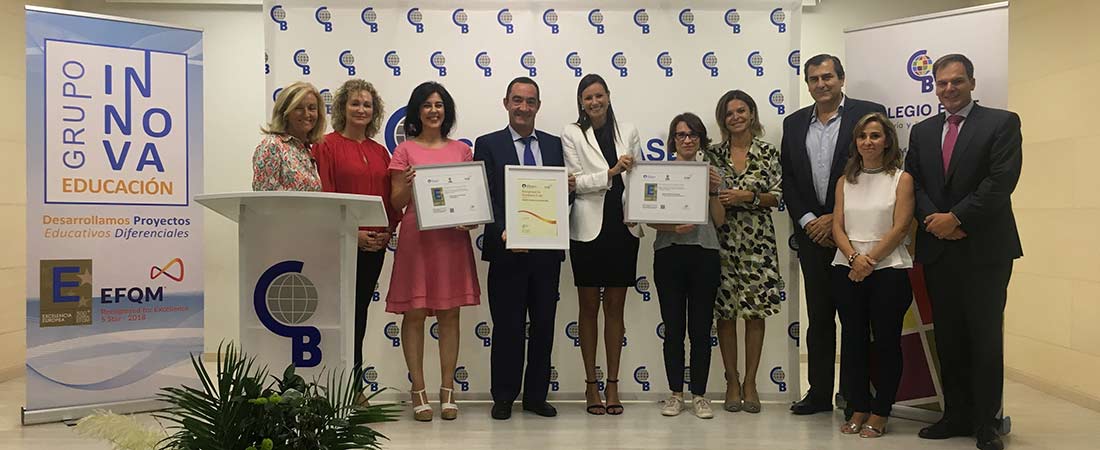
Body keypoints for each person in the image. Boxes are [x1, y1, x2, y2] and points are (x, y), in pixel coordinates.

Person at [906, 54, 1022, 450]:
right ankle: (954, 415)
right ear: (934, 87)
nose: (949, 89)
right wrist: (934, 221)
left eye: (957, 81)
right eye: (942, 83)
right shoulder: (922, 131)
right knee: (949, 337)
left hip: (984, 250)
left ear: (972, 82)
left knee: (985, 337)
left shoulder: (1002, 123)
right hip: (938, 249)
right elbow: (914, 183)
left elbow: (1001, 180)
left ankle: (986, 423)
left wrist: (956, 218)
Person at [780, 54, 886, 415]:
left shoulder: (867, 113)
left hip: (856, 236)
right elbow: (789, 178)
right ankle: (819, 393)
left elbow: (875, 172)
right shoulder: (794, 123)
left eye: (827, 77)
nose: (821, 84)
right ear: (807, 84)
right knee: (820, 317)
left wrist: (834, 218)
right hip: (813, 236)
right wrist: (810, 220)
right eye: (814, 79)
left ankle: (855, 396)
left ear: (841, 79)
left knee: (856, 320)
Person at [474, 77, 574, 420]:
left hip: (546, 254)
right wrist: (505, 232)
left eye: (530, 101)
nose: (523, 107)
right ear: (506, 103)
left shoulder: (554, 145)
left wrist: (568, 190)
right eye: (517, 100)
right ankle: (503, 396)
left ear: (538, 106)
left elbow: (559, 199)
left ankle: (535, 397)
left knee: (544, 326)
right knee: (508, 328)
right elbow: (485, 195)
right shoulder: (487, 144)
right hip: (506, 252)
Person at [387, 81, 481, 422]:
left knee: (450, 314)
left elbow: (470, 201)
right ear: (417, 111)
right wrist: (408, 184)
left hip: (451, 241)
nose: (433, 110)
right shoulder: (404, 150)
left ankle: (448, 390)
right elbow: (396, 203)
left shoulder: (462, 151)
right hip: (417, 239)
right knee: (413, 314)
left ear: (447, 110)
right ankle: (418, 390)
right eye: (427, 105)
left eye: (439, 104)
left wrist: (470, 219)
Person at [311, 79, 400, 405]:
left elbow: (389, 199)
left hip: (374, 247)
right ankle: (329, 387)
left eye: (367, 104)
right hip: (340, 244)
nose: (361, 109)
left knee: (358, 316)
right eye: (355, 103)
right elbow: (326, 198)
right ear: (342, 108)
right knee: (336, 317)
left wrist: (388, 230)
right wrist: (352, 234)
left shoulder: (380, 152)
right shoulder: (326, 146)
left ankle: (353, 386)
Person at [561, 73, 643, 416]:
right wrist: (610, 173)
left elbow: (639, 179)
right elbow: (574, 183)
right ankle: (590, 384)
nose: (594, 102)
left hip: (622, 228)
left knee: (615, 308)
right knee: (588, 309)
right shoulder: (572, 133)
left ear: (608, 96)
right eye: (588, 97)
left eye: (599, 95)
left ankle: (613, 384)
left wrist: (637, 208)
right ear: (581, 102)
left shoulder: (629, 131)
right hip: (587, 228)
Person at [831, 113, 914, 438]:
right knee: (853, 342)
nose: (868, 142)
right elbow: (837, 226)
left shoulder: (901, 179)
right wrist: (854, 259)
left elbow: (901, 227)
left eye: (875, 136)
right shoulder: (845, 181)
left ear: (887, 140)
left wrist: (869, 260)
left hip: (888, 270)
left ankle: (881, 411)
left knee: (886, 343)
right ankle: (859, 406)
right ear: (855, 142)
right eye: (862, 136)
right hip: (848, 269)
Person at [706, 90, 785, 414]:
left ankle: (750, 383)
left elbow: (778, 196)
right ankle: (732, 381)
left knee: (755, 315)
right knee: (725, 315)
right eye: (729, 113)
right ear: (722, 120)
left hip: (758, 244)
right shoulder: (712, 155)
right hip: (722, 242)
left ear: (752, 113)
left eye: (741, 110)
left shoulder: (768, 152)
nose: (736, 117)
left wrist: (747, 197)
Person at [650, 113, 725, 420]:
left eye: (693, 134)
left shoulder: (712, 173)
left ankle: (700, 395)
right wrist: (672, 227)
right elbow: (650, 217)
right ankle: (675, 394)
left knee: (700, 329)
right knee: (673, 329)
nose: (687, 140)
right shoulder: (660, 173)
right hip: (669, 253)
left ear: (701, 139)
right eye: (681, 135)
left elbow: (720, 220)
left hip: (705, 254)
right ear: (673, 140)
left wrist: (713, 191)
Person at [253, 81, 326, 191]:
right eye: (299, 108)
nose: (307, 114)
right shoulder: (272, 146)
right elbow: (263, 198)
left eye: (312, 108)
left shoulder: (306, 150)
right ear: (285, 113)